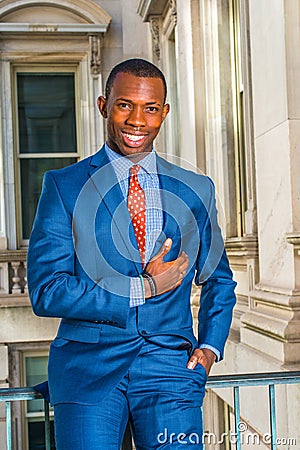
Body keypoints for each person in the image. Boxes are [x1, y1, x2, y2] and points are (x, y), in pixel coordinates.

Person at [27, 58, 236, 449]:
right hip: (88, 369)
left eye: (150, 108)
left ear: (164, 112)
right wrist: (144, 287)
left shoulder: (196, 189)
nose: (137, 120)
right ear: (104, 105)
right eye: (125, 105)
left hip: (171, 371)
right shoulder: (64, 186)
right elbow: (46, 291)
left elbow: (219, 280)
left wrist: (209, 348)